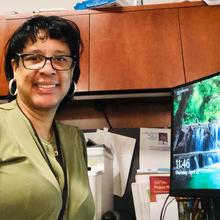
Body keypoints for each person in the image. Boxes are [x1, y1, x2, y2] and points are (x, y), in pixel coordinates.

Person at [0, 15, 95, 220]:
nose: (48, 69)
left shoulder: (75, 139)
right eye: (34, 58)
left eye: (60, 59)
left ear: (72, 72)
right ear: (15, 68)